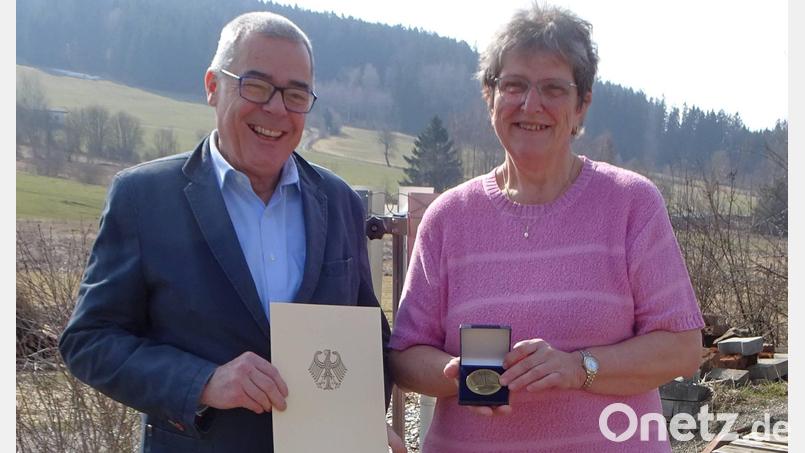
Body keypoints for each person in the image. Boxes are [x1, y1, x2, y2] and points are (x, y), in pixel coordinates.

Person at [59, 11, 404, 453]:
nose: (277, 109)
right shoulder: (144, 197)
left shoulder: (337, 201)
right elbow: (89, 341)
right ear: (211, 86)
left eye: (296, 94)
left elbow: (368, 335)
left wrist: (361, 422)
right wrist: (204, 382)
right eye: (256, 87)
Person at [389, 4, 704, 452]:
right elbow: (404, 355)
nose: (530, 104)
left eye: (553, 88)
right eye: (514, 85)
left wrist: (580, 367)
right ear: (489, 95)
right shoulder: (448, 218)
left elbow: (682, 347)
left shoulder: (631, 203)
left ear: (582, 105)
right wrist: (452, 375)